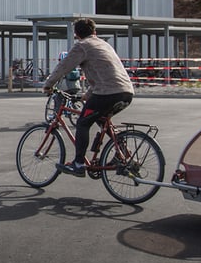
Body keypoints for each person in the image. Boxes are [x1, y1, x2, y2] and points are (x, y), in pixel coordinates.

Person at [42, 18, 135, 177]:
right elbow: (106, 74)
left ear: (76, 34)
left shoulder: (82, 46)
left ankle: (78, 164)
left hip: (108, 93)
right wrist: (88, 95)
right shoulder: (104, 44)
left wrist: (48, 84)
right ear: (94, 32)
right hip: (126, 91)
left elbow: (64, 66)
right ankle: (124, 155)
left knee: (83, 123)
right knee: (101, 118)